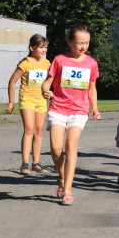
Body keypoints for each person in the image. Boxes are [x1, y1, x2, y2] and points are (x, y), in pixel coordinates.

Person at [41, 24, 101, 205]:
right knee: (56, 148)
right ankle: (62, 176)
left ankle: (67, 189)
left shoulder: (91, 63)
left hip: (79, 110)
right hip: (58, 108)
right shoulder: (59, 60)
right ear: (69, 42)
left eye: (87, 43)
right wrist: (45, 91)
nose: (83, 47)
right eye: (80, 43)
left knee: (71, 145)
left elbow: (92, 88)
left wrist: (95, 108)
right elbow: (47, 83)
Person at [5, 34, 50, 174]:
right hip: (27, 99)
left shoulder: (47, 63)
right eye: (41, 47)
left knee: (38, 131)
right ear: (32, 48)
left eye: (46, 47)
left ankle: (36, 163)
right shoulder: (25, 63)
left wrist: (49, 92)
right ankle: (25, 163)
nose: (44, 50)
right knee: (29, 129)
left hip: (41, 100)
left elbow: (50, 81)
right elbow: (12, 81)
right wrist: (11, 101)